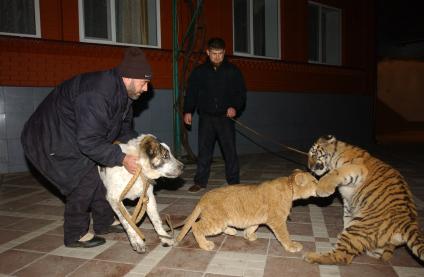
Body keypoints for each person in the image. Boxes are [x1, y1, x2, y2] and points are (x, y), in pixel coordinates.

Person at [21, 47, 152, 248]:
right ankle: (75, 234)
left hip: (76, 134)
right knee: (83, 179)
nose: (146, 89)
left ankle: (104, 221)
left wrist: (138, 149)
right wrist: (122, 158)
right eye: (144, 83)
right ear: (129, 77)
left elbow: (124, 130)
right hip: (48, 136)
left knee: (101, 172)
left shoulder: (125, 95)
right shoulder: (97, 93)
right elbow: (90, 141)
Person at [183, 37, 246, 193]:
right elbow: (191, 92)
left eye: (220, 53)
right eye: (213, 53)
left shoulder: (233, 71)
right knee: (204, 151)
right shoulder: (199, 72)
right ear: (208, 52)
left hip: (225, 117)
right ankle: (200, 182)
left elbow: (241, 93)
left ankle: (234, 182)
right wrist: (188, 111)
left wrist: (234, 107)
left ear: (224, 53)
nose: (217, 56)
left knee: (230, 151)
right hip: (206, 117)